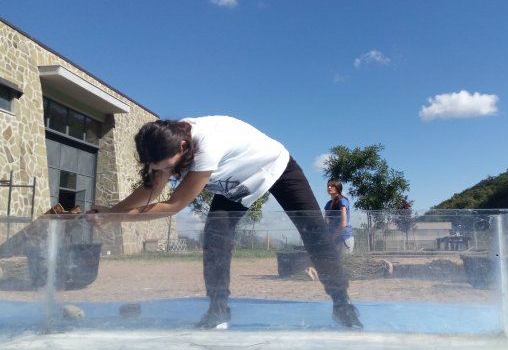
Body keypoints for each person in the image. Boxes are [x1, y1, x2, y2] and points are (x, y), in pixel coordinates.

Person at [88, 116, 362, 329]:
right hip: (236, 183)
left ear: (184, 147)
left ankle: (343, 304)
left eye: (166, 166)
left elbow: (174, 205)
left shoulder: (207, 145)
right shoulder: (166, 141)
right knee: (216, 236)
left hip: (275, 166)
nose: (164, 172)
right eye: (158, 167)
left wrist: (114, 218)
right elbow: (153, 188)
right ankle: (218, 309)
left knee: (314, 231)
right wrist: (112, 211)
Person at [324, 178, 354, 254]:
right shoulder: (328, 204)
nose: (329, 187)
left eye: (332, 186)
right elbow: (325, 222)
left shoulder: (342, 201)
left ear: (338, 187)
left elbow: (343, 225)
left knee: (345, 263)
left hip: (344, 238)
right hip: (333, 239)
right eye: (328, 186)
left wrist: (333, 237)